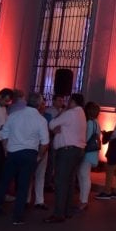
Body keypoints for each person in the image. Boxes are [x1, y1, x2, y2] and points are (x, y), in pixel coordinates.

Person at [0, 92, 50, 225]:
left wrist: (6, 149)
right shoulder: (41, 120)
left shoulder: (14, 115)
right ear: (39, 104)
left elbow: (4, 135)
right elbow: (45, 142)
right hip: (29, 154)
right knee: (23, 186)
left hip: (13, 152)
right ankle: (17, 216)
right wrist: (39, 155)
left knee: (3, 182)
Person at [45, 92, 86, 223]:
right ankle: (67, 210)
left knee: (60, 182)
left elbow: (51, 124)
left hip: (67, 151)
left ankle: (58, 214)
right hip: (77, 151)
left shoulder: (70, 113)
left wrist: (61, 115)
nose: (66, 103)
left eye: (68, 101)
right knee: (69, 181)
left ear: (73, 102)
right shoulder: (81, 114)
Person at [76, 101, 101, 211]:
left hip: (87, 153)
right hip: (92, 153)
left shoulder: (90, 123)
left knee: (84, 176)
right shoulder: (96, 123)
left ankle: (84, 201)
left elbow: (85, 139)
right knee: (84, 176)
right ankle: (83, 200)